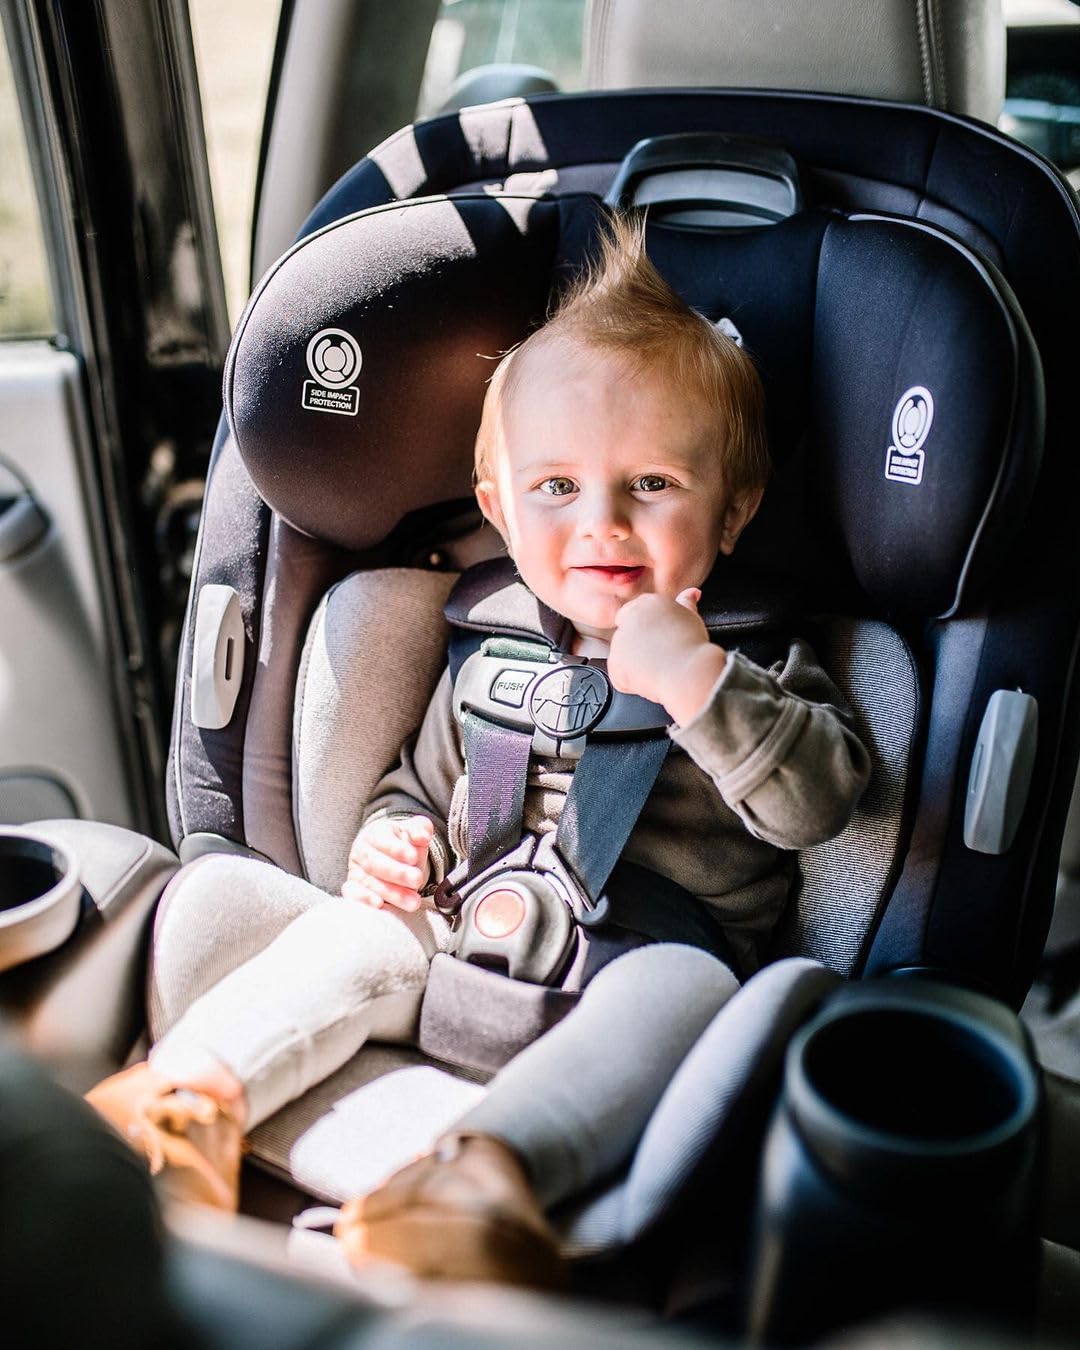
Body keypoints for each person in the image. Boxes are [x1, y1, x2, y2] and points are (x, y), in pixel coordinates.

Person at [85, 214, 871, 1285]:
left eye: (651, 486)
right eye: (558, 489)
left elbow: (819, 803)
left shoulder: (756, 655)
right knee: (349, 942)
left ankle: (480, 1177)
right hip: (458, 945)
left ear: (733, 510)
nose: (602, 524)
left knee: (692, 989)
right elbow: (419, 788)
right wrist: (392, 840)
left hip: (635, 973)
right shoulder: (486, 645)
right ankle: (190, 1104)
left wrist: (699, 685)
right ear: (499, 507)